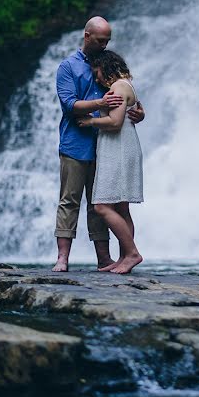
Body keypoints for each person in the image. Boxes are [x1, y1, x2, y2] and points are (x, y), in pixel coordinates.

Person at [53, 16, 144, 272]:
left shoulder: (108, 66)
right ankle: (63, 258)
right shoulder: (68, 67)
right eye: (100, 40)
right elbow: (70, 105)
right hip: (76, 143)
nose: (104, 44)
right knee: (70, 200)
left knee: (101, 204)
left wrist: (139, 113)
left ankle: (106, 258)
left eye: (108, 41)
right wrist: (100, 105)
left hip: (107, 146)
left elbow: (129, 100)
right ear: (87, 36)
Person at [77, 50, 144, 274]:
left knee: (101, 206)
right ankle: (125, 257)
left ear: (107, 68)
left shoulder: (118, 87)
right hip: (123, 146)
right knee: (121, 206)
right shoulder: (127, 85)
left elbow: (115, 123)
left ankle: (132, 253)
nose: (97, 79)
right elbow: (129, 115)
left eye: (97, 73)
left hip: (118, 148)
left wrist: (90, 121)